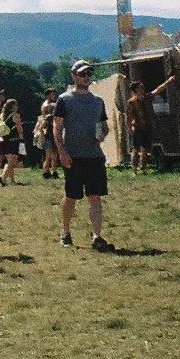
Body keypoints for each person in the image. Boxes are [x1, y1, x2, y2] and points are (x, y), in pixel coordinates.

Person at [53, 60, 115, 251]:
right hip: (74, 156)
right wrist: (62, 151)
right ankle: (65, 232)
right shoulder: (64, 100)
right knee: (71, 196)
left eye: (89, 74)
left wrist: (103, 134)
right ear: (73, 76)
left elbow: (104, 125)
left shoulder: (97, 101)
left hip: (94, 155)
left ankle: (96, 236)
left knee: (95, 196)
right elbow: (57, 127)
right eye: (82, 74)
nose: (86, 77)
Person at [126, 78, 173, 173]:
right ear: (136, 89)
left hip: (148, 126)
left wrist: (168, 82)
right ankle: (134, 169)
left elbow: (157, 90)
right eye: (141, 87)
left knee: (145, 148)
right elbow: (128, 116)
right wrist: (129, 128)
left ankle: (143, 167)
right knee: (135, 148)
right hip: (138, 127)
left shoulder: (147, 97)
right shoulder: (132, 102)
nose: (143, 88)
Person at [0, 98, 24, 185]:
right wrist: (22, 138)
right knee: (12, 162)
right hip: (13, 140)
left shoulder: (2, 115)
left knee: (9, 161)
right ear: (12, 107)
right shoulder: (15, 115)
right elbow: (19, 128)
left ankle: (12, 181)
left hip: (3, 140)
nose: (17, 107)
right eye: (16, 105)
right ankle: (3, 177)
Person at [35, 95, 60, 180]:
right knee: (48, 156)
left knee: (55, 156)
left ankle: (54, 171)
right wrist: (42, 138)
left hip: (55, 138)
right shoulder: (48, 118)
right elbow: (41, 128)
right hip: (49, 138)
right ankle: (45, 172)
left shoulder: (57, 118)